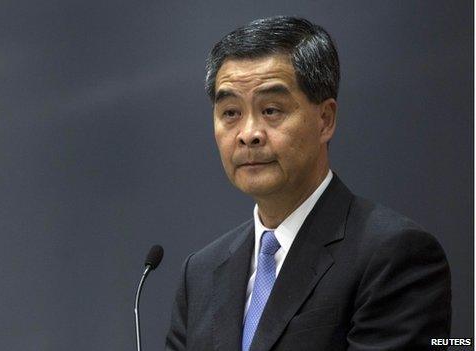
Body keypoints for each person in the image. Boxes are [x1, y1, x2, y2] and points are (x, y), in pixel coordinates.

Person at [165, 16, 451, 351]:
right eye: (230, 113)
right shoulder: (200, 273)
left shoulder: (393, 255)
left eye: (271, 110)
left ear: (325, 120)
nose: (248, 134)